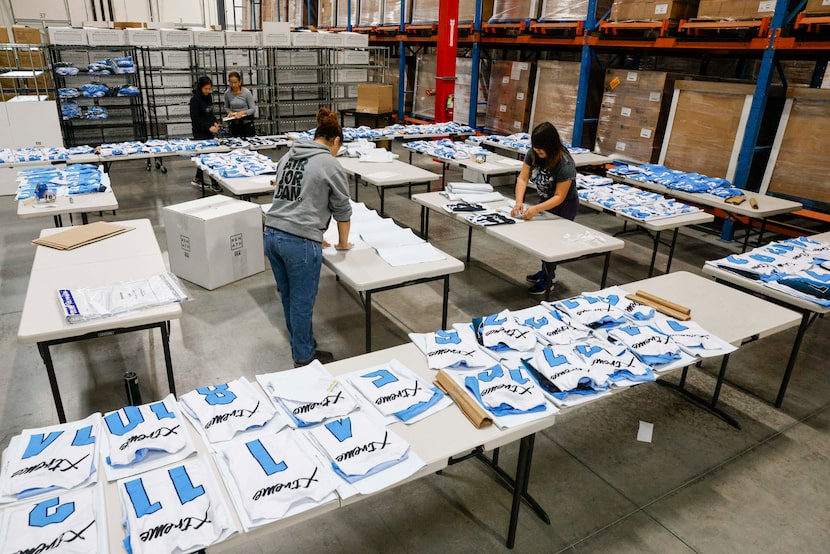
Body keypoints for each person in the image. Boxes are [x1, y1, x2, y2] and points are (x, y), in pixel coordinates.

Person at [263, 111, 353, 367]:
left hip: (272, 233)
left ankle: (300, 345)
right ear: (335, 140)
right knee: (302, 303)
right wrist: (342, 243)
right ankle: (303, 358)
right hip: (298, 244)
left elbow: (288, 196)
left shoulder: (288, 156)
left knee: (289, 297)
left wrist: (313, 232)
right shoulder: (330, 163)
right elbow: (342, 209)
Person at [510, 121, 578, 295]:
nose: (538, 154)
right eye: (535, 150)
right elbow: (523, 178)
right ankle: (545, 271)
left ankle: (549, 279)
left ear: (551, 146)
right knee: (542, 240)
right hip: (545, 200)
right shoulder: (532, 154)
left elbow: (559, 196)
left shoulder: (565, 163)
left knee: (552, 243)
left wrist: (536, 209)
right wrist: (519, 201)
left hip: (564, 205)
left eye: (541, 151)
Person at [189, 76, 221, 191]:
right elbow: (196, 120)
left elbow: (210, 113)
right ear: (200, 88)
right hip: (200, 133)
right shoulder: (195, 101)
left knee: (205, 156)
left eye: (209, 89)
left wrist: (215, 122)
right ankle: (214, 182)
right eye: (206, 89)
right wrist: (208, 127)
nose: (208, 91)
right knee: (208, 157)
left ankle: (197, 179)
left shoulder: (209, 97)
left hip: (209, 131)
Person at [224, 71, 257, 137]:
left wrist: (243, 112)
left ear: (240, 82)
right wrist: (229, 112)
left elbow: (253, 109)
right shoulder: (227, 93)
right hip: (234, 123)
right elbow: (226, 106)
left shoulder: (246, 92)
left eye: (235, 82)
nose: (233, 85)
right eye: (231, 83)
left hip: (246, 123)